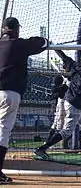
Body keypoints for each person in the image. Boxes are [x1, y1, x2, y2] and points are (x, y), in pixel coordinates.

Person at [35, 50, 81, 160]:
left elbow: (65, 57)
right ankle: (42, 149)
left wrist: (56, 48)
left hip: (74, 104)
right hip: (74, 106)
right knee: (66, 131)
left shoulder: (78, 68)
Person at [0, 17, 49, 184]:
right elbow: (42, 42)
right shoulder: (18, 44)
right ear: (15, 29)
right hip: (9, 93)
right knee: (3, 131)